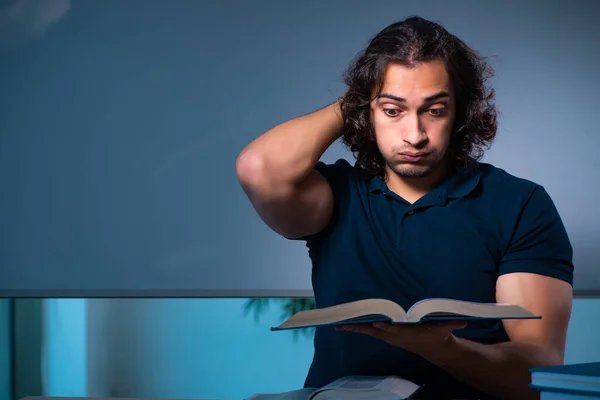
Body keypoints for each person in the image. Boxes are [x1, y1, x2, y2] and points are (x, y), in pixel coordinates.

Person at [235, 16, 574, 400]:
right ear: (368, 111)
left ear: (460, 112)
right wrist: (364, 94)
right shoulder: (335, 194)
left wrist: (440, 348)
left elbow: (537, 370)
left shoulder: (519, 204)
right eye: (393, 111)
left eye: (434, 109)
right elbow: (258, 168)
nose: (414, 136)